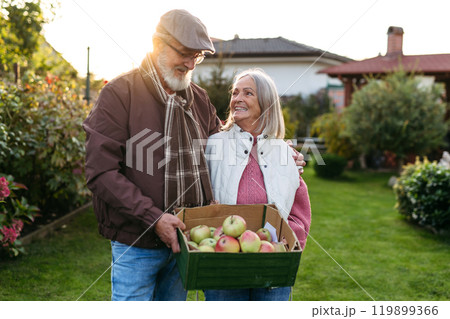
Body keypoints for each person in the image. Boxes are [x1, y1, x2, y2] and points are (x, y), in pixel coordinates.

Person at [83, 9, 306, 301]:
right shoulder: (120, 93)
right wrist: (155, 219)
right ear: (157, 43)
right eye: (185, 53)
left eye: (198, 56)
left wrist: (277, 149)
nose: (190, 63)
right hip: (136, 244)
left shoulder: (198, 99)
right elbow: (101, 172)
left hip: (186, 242)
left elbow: (229, 143)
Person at [204, 68, 312, 301]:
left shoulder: (286, 152)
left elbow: (299, 210)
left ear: (266, 103)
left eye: (248, 93)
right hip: (223, 261)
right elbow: (199, 197)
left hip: (272, 262)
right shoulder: (213, 145)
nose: (237, 99)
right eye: (235, 93)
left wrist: (289, 241)